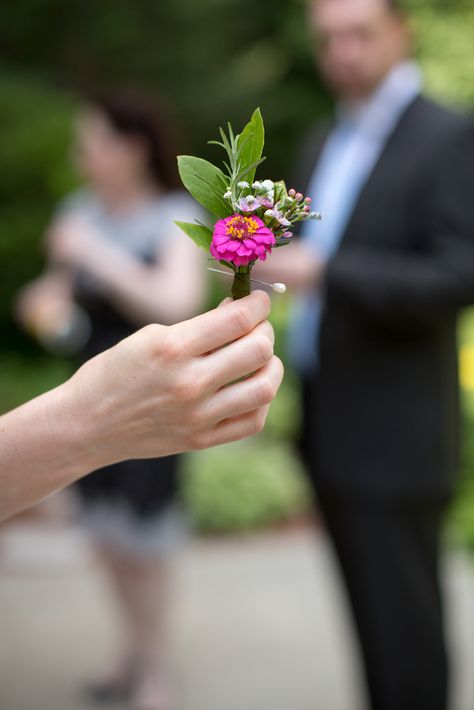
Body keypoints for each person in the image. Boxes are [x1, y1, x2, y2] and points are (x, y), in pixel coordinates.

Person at [256, 1, 474, 709]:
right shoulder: (324, 138)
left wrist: (329, 272)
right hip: (331, 421)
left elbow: (459, 275)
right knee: (371, 635)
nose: (343, 52)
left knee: (407, 640)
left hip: (400, 430)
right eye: (327, 39)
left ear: (401, 31)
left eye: (360, 34)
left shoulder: (448, 135)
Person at [14, 89, 236, 708]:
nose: (81, 156)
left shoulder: (170, 213)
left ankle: (155, 669)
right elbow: (54, 289)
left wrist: (95, 253)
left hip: (151, 402)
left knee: (146, 547)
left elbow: (173, 304)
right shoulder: (78, 210)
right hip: (84, 398)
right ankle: (130, 656)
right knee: (107, 542)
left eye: (92, 144)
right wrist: (40, 300)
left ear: (132, 149)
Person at [1, 291, 281, 520]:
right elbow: (44, 293)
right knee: (98, 527)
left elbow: (177, 302)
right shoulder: (78, 225)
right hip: (99, 384)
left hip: (154, 390)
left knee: (144, 535)